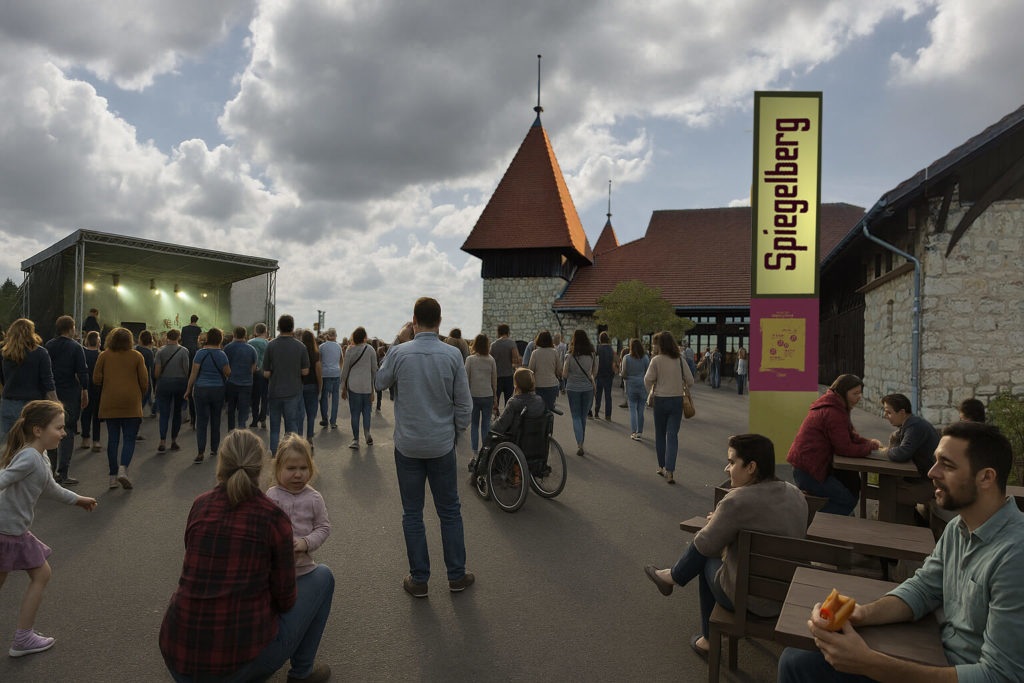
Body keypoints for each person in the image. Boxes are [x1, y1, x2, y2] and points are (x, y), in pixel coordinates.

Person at [777, 421, 1024, 682]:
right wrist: (862, 613)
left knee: (800, 666)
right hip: (932, 651)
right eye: (935, 461)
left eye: (947, 465)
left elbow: (999, 676)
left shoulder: (1014, 556)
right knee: (798, 658)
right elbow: (924, 588)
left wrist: (872, 664)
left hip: (956, 671)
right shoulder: (958, 527)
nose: (931, 472)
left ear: (986, 477)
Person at [159, 429, 333, 682]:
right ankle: (302, 672)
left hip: (178, 657)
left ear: (221, 462)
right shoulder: (272, 516)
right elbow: (285, 599)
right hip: (237, 665)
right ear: (261, 467)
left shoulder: (200, 504)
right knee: (323, 576)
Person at [645, 434, 806, 658]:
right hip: (787, 595)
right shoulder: (795, 494)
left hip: (749, 599)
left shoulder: (737, 501)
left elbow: (705, 544)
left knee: (705, 557)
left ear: (751, 467)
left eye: (731, 462)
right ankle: (671, 576)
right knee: (712, 546)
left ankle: (708, 639)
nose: (726, 468)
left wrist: (718, 522)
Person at [375, 297, 473, 597]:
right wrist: (454, 433)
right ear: (440, 321)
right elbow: (464, 405)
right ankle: (456, 575)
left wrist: (396, 341)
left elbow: (379, 382)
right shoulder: (453, 355)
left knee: (412, 513)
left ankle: (420, 579)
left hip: (408, 445)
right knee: (450, 511)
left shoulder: (400, 353)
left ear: (414, 321)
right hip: (441, 443)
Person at [0, 400, 98, 657]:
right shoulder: (31, 457)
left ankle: (23, 637)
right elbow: (2, 479)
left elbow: (50, 488)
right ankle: (22, 639)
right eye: (59, 427)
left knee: (41, 574)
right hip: (6, 531)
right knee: (41, 574)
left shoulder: (39, 456)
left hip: (12, 529)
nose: (64, 432)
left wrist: (78, 499)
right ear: (37, 430)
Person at [787, 374, 882, 515]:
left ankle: (822, 522)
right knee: (847, 500)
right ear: (842, 392)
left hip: (808, 468)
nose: (859, 397)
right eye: (855, 393)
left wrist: (868, 443)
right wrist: (870, 447)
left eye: (860, 393)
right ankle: (811, 524)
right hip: (809, 472)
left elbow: (848, 435)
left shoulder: (834, 406)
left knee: (850, 489)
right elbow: (844, 448)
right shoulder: (833, 412)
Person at [266, 435, 332, 584]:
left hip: (305, 570)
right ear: (278, 468)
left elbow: (323, 527)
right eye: (291, 468)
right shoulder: (271, 496)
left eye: (303, 468)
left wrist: (305, 542)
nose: (298, 474)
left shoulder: (314, 498)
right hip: (274, 571)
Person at [94, 327, 148, 489]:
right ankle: (123, 469)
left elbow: (96, 379)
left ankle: (112, 476)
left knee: (113, 439)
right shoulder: (137, 356)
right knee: (129, 439)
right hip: (131, 402)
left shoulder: (104, 355)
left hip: (110, 402)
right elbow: (144, 381)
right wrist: (139, 394)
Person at [470, 367, 546, 475]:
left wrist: (491, 424)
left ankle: (481, 468)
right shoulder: (539, 400)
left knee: (490, 436)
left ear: (516, 384)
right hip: (535, 440)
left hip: (516, 440)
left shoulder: (514, 402)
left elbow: (501, 426)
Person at [43, 315, 89, 486]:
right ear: (71, 328)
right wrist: (85, 390)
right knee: (68, 431)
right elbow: (82, 371)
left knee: (51, 431)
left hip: (51, 393)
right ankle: (64, 472)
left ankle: (50, 471)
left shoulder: (49, 345)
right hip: (70, 393)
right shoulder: (76, 347)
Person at [644, 331, 695, 485]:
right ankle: (671, 472)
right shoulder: (680, 359)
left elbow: (647, 379)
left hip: (660, 400)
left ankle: (661, 466)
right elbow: (691, 380)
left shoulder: (656, 360)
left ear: (660, 345)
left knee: (660, 434)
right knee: (672, 435)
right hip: (677, 400)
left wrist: (652, 391)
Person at [0, 319, 57, 445]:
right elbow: (48, 382)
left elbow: (3, 379)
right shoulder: (41, 353)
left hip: (8, 403)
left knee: (7, 446)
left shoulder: (5, 353)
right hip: (33, 405)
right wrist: (56, 404)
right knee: (31, 445)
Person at [263, 315, 310, 455]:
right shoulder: (301, 347)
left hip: (274, 391)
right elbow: (305, 371)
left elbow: (265, 373)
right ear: (292, 327)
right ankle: (292, 452)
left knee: (275, 426)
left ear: (279, 327)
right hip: (293, 391)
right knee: (291, 425)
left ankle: (274, 453)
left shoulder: (270, 345)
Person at [184, 328, 230, 466]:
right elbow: (228, 373)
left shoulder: (200, 354)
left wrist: (188, 390)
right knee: (216, 420)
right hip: (217, 390)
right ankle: (214, 449)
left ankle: (200, 451)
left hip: (201, 390)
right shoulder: (222, 355)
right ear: (220, 339)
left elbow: (193, 374)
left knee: (201, 421)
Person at [341, 326, 377, 449]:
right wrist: (373, 390)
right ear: (364, 337)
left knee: (355, 413)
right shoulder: (371, 349)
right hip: (367, 386)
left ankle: (355, 440)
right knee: (367, 412)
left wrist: (343, 387)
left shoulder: (350, 351)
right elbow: (374, 370)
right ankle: (367, 433)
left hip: (353, 386)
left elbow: (345, 371)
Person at [154, 329, 190, 453]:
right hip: (180, 383)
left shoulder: (160, 351)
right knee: (177, 412)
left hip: (164, 383)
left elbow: (157, 372)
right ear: (179, 337)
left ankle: (162, 440)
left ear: (167, 337)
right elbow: (186, 370)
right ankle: (174, 440)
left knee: (164, 413)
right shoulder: (184, 351)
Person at [563, 329, 597, 457]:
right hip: (587, 387)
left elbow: (565, 374)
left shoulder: (570, 355)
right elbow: (595, 371)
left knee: (575, 416)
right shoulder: (592, 354)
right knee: (583, 416)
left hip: (573, 388)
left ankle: (579, 444)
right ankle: (582, 442)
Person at [465, 334, 497, 453]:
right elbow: (494, 380)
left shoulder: (470, 359)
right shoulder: (491, 359)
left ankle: (474, 451)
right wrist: (495, 397)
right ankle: (485, 451)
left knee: (474, 425)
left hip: (473, 395)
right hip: (487, 395)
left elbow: (465, 378)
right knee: (486, 425)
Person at [223, 327, 257, 432]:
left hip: (231, 382)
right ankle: (241, 430)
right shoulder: (251, 349)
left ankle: (231, 431)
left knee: (231, 409)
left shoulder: (227, 348)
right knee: (244, 409)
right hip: (246, 384)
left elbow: (224, 366)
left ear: (234, 334)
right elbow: (254, 367)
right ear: (245, 335)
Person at [621, 338, 650, 441]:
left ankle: (633, 431)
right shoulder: (645, 358)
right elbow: (648, 372)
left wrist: (625, 377)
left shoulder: (627, 358)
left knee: (632, 408)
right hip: (642, 384)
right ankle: (640, 432)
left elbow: (624, 373)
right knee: (641, 409)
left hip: (631, 384)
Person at [79, 331, 103, 452]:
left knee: (86, 413)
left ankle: (85, 439)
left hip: (85, 387)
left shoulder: (82, 353)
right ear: (98, 342)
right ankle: (96, 441)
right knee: (97, 415)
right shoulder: (102, 355)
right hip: (99, 387)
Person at [296, 331, 322, 443]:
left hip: (299, 385)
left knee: (300, 414)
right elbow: (318, 372)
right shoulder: (316, 354)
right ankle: (310, 437)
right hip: (312, 385)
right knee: (311, 414)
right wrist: (320, 387)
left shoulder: (298, 352)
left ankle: (299, 437)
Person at [527, 330, 560, 414]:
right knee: (548, 410)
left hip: (538, 385)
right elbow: (559, 370)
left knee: (538, 410)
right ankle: (548, 426)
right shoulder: (555, 352)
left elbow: (530, 370)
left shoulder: (535, 353)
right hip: (552, 385)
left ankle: (539, 426)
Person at [490, 324, 520, 408]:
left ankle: (496, 416)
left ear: (498, 332)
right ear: (508, 332)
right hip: (509, 376)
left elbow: (490, 361)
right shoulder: (511, 344)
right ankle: (507, 418)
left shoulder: (493, 345)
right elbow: (516, 360)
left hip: (497, 377)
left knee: (496, 399)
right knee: (508, 401)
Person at [318, 328, 343, 429]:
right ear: (335, 336)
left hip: (325, 374)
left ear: (327, 336)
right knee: (335, 399)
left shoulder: (322, 347)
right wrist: (339, 370)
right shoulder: (338, 347)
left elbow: (319, 361)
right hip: (336, 373)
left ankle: (325, 418)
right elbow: (341, 360)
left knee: (324, 397)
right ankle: (333, 421)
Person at [180, 315, 202, 425]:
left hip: (185, 350)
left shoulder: (184, 328)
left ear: (190, 319)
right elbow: (197, 341)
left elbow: (182, 339)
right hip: (194, 351)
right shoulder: (198, 329)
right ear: (196, 321)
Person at [248, 323, 270, 429]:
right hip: (265, 372)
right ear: (265, 331)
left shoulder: (250, 343)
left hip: (253, 372)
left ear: (255, 331)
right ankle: (263, 419)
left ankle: (254, 420)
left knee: (255, 397)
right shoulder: (268, 343)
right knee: (265, 397)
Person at [593, 331, 618, 420]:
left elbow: (595, 361)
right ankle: (608, 415)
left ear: (600, 339)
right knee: (608, 395)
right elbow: (614, 362)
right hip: (608, 374)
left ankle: (596, 412)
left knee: (598, 394)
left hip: (599, 374)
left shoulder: (598, 348)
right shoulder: (611, 349)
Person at [135, 330, 156, 419]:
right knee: (146, 394)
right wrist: (154, 381)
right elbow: (152, 368)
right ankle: (138, 413)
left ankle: (152, 409)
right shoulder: (149, 352)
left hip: (135, 376)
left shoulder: (135, 349)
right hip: (145, 376)